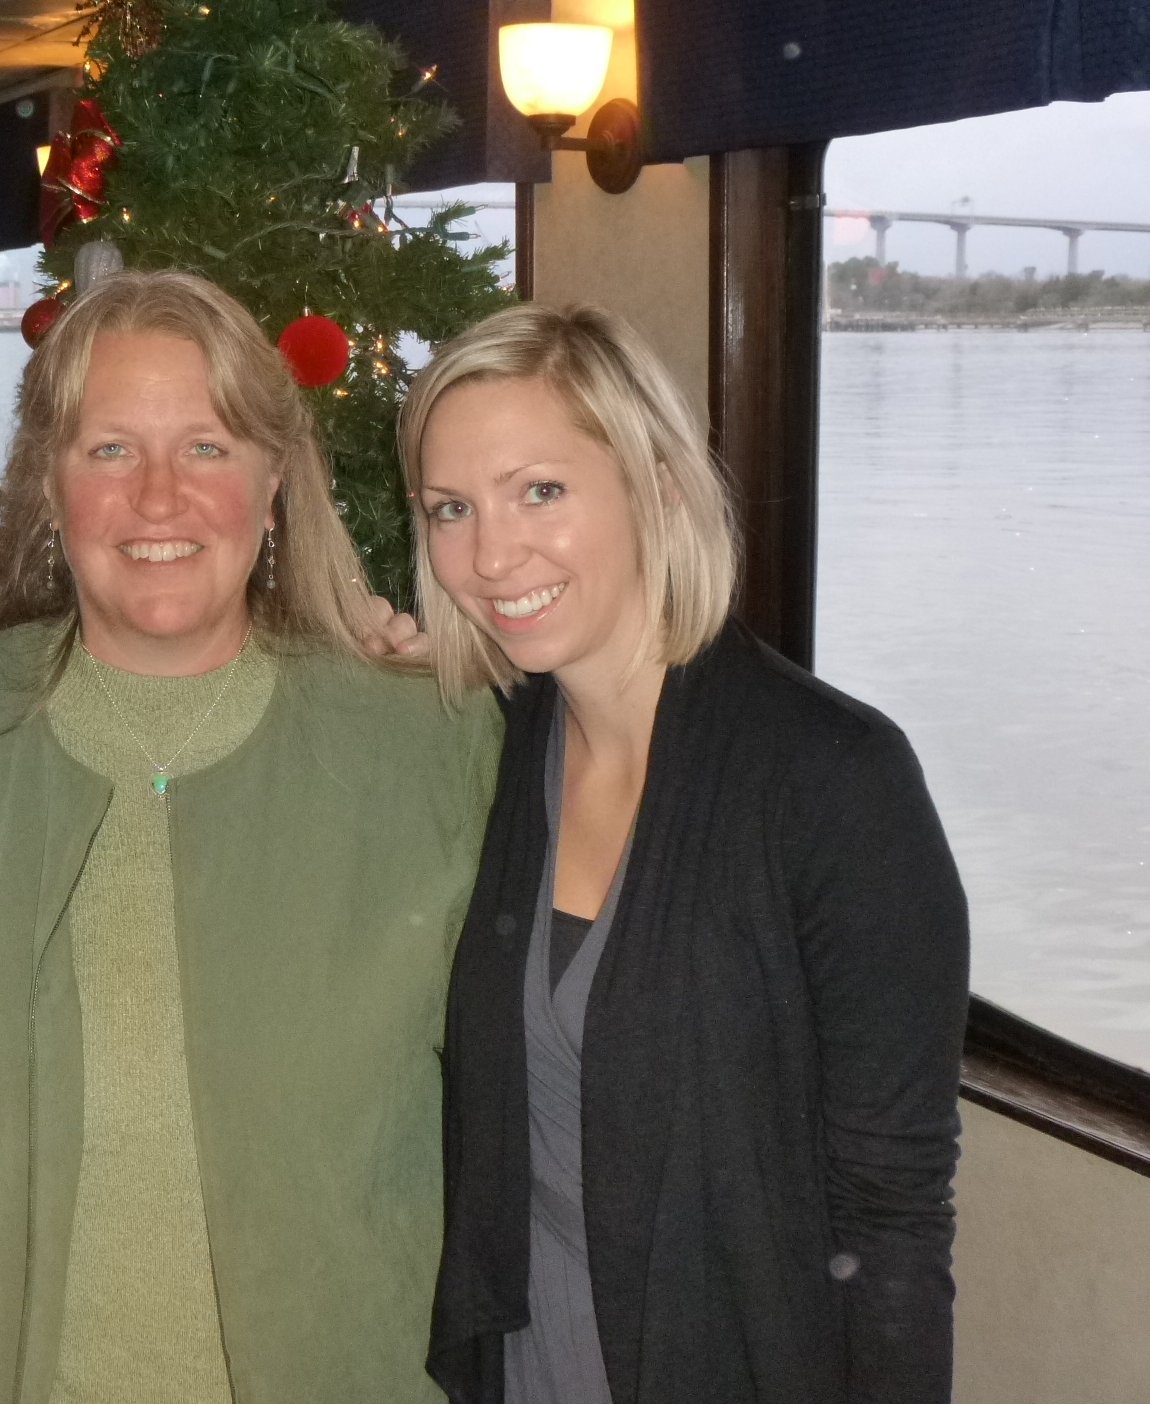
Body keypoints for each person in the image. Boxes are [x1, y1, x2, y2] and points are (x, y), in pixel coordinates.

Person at [0, 269, 502, 1404]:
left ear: (273, 483)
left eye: (207, 447)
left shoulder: (427, 747)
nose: (158, 497)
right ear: (50, 485)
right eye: (110, 449)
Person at [403, 304, 968, 1404]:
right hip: (528, 1354)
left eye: (540, 491)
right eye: (450, 509)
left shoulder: (833, 780)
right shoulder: (504, 744)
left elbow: (894, 1213)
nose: (491, 555)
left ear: (656, 486)